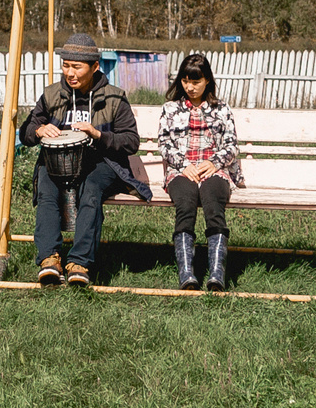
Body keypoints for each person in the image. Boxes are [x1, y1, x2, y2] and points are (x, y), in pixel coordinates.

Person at [17, 31, 140, 288]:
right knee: (47, 187)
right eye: (65, 66)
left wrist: (98, 134)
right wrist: (38, 130)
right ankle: (49, 259)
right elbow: (26, 131)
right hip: (57, 164)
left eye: (76, 67)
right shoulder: (52, 95)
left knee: (91, 188)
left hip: (102, 163)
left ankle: (79, 263)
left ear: (95, 66)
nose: (70, 73)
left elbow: (131, 141)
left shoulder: (115, 97)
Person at [158, 52, 244, 291]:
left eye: (196, 82)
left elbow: (231, 144)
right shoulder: (170, 109)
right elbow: (164, 144)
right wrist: (184, 165)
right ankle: (187, 274)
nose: (190, 87)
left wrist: (215, 163)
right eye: (185, 81)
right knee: (185, 205)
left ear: (207, 80)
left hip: (213, 170)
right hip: (181, 170)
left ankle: (217, 274)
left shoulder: (221, 110)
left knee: (213, 204)